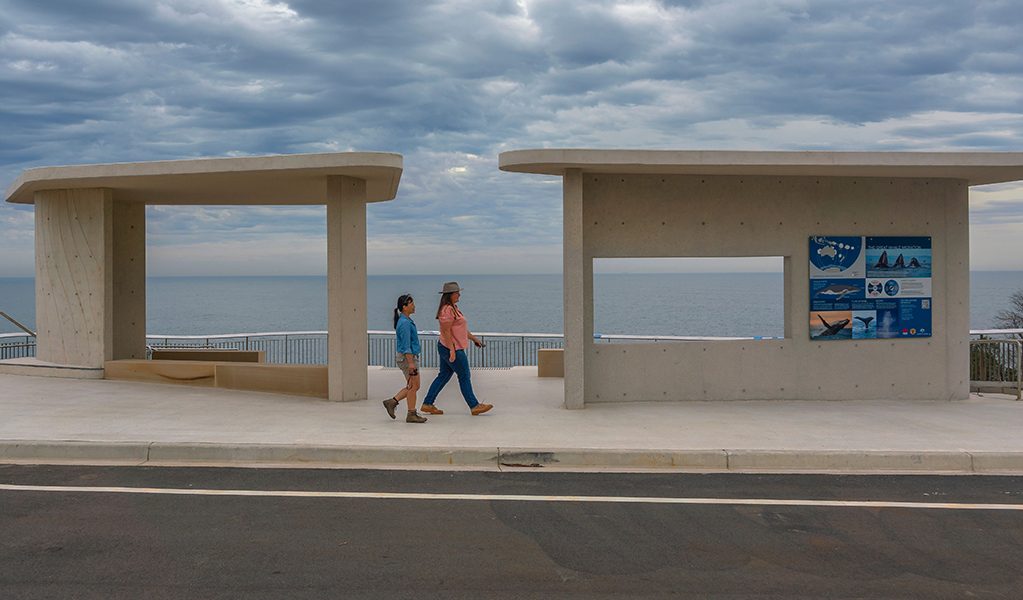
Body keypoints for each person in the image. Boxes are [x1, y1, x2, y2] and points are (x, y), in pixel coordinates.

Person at [421, 282, 493, 416]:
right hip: (451, 347)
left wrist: (474, 339)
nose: (459, 295)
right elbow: (446, 331)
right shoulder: (447, 310)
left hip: (448, 347)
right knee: (464, 375)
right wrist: (452, 350)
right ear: (450, 295)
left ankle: (428, 404)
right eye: (457, 293)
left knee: (443, 375)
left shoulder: (453, 308)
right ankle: (474, 406)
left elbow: (460, 329)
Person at [383, 294, 427, 423]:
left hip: (408, 357)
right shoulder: (405, 323)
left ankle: (392, 402)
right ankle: (411, 413)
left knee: (414, 386)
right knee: (413, 387)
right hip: (408, 358)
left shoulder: (405, 321)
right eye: (412, 304)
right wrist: (411, 363)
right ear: (404, 307)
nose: (414, 306)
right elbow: (406, 345)